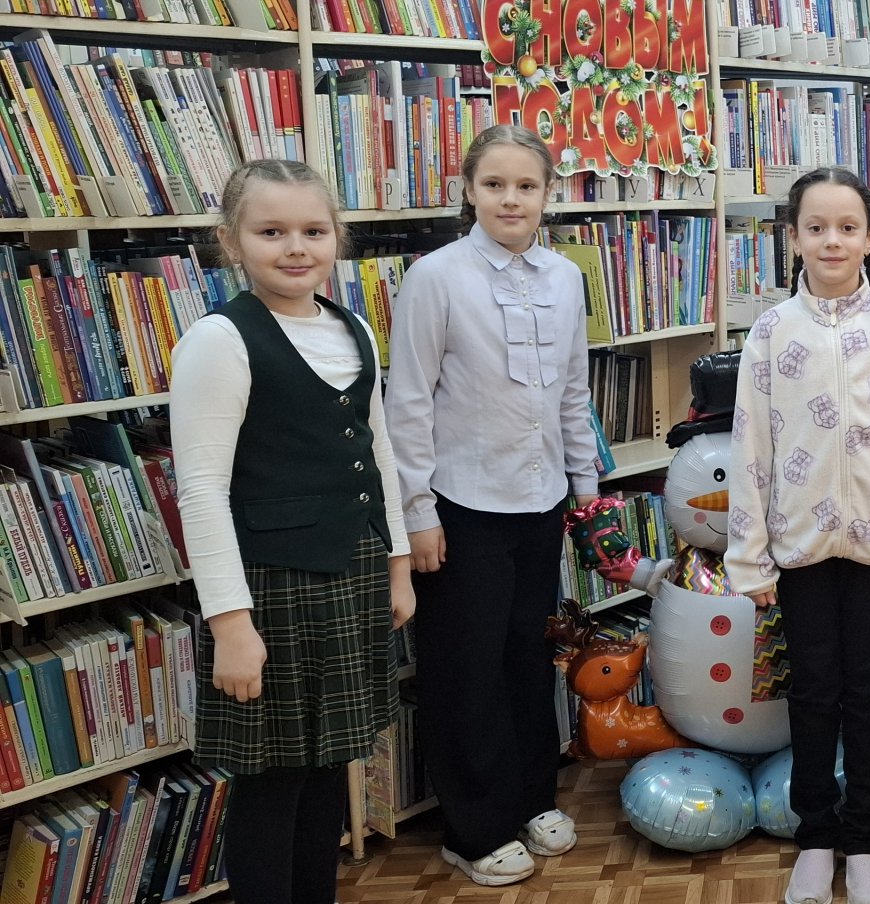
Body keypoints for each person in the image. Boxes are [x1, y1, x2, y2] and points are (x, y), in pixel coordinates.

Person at [171, 160, 414, 903]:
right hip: (270, 587)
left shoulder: (354, 327)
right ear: (231, 242)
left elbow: (378, 453)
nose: (297, 247)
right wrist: (231, 625)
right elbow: (201, 490)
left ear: (336, 236)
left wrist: (398, 563)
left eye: (314, 230)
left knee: (328, 766)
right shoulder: (219, 338)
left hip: (354, 573)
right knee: (272, 782)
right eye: (271, 232)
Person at [725, 167, 870, 904]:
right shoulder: (771, 332)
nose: (832, 241)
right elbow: (750, 449)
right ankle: (816, 838)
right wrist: (750, 557)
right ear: (792, 237)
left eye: (847, 228)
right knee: (813, 694)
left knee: (867, 695)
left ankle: (864, 841)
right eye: (816, 227)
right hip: (800, 551)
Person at [386, 124, 597, 887]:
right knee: (464, 668)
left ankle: (531, 798)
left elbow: (573, 392)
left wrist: (586, 487)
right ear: (468, 191)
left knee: (526, 659)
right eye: (495, 184)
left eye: (527, 185)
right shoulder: (436, 277)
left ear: (548, 195)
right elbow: (408, 402)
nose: (511, 199)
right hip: (461, 505)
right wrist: (417, 513)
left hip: (540, 501)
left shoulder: (566, 278)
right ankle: (472, 828)